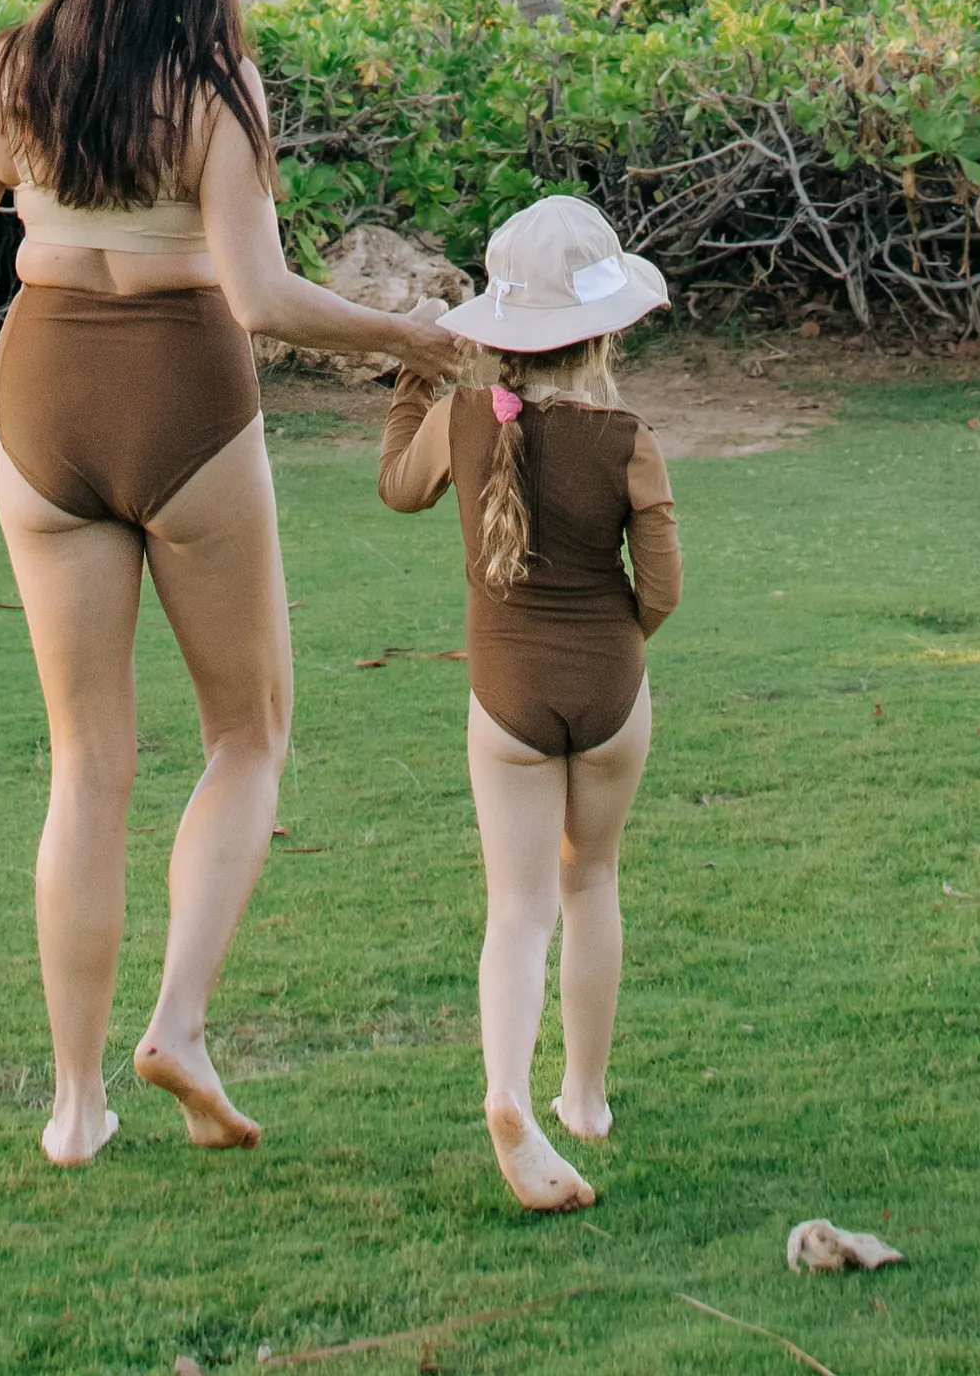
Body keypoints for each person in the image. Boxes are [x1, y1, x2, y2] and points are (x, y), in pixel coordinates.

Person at [0, 0, 460, 1168]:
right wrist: (412, 337)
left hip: (45, 398)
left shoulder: (6, 76)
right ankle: (176, 1020)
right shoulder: (218, 90)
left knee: (87, 765)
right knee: (248, 731)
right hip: (183, 394)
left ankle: (73, 1107)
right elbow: (263, 299)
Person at [375, 195, 681, 1215]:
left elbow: (397, 489)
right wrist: (618, 642)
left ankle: (508, 1090)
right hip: (608, 687)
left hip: (502, 691)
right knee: (591, 882)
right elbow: (665, 587)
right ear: (600, 330)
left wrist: (414, 387)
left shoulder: (467, 421)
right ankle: (584, 1099)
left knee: (516, 911)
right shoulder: (628, 435)